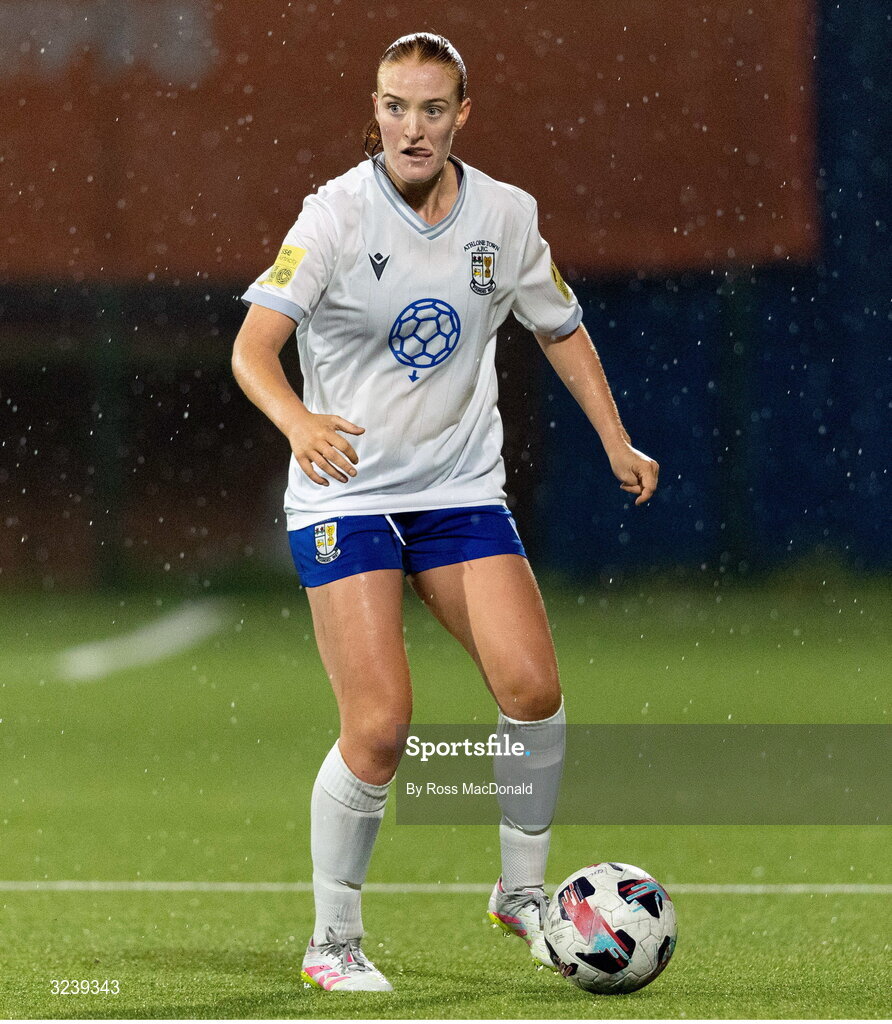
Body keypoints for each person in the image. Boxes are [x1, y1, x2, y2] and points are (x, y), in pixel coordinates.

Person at [231, 32, 658, 993]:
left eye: (431, 109)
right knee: (380, 727)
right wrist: (297, 420)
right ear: (372, 111)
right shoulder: (334, 214)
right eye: (394, 106)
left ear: (463, 115)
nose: (410, 128)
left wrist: (615, 441)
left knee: (533, 690)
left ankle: (521, 896)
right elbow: (253, 348)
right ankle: (331, 944)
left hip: (459, 492)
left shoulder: (505, 217)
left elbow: (563, 327)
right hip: (350, 497)